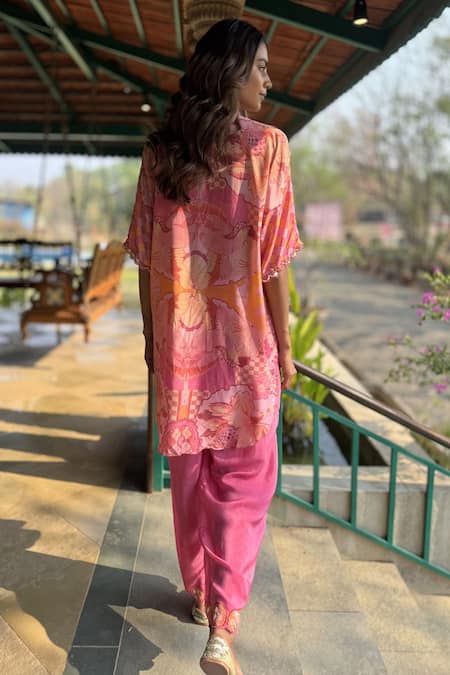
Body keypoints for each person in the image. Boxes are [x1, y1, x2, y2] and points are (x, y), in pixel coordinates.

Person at [124, 17, 303, 675]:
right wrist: (286, 347)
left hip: (181, 352)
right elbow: (275, 266)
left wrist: (153, 341)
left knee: (192, 481)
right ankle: (223, 626)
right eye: (261, 67)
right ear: (232, 72)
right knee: (246, 485)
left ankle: (200, 591)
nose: (269, 80)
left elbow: (147, 259)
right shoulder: (268, 147)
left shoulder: (160, 152)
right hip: (245, 350)